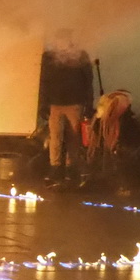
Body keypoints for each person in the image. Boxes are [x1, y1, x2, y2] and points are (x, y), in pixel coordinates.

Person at [39, 30, 94, 183]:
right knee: (56, 137)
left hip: (74, 103)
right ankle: (56, 168)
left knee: (72, 138)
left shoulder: (80, 56)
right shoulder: (49, 57)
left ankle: (70, 168)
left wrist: (88, 104)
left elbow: (88, 81)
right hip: (57, 103)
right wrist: (43, 103)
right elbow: (44, 81)